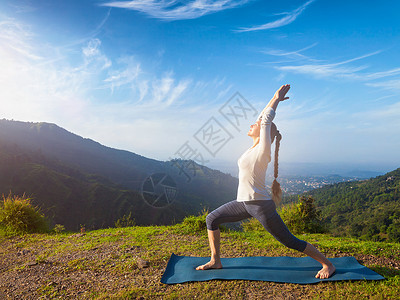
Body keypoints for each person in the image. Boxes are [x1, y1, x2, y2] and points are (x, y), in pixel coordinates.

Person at [196, 84, 336, 279]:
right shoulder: (252, 149)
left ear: (264, 133)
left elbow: (266, 120)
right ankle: (215, 260)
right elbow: (263, 118)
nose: (253, 124)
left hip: (260, 205)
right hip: (244, 203)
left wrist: (276, 100)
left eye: (257, 125)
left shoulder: (263, 150)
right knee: (212, 219)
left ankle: (327, 264)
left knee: (289, 241)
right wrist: (272, 97)